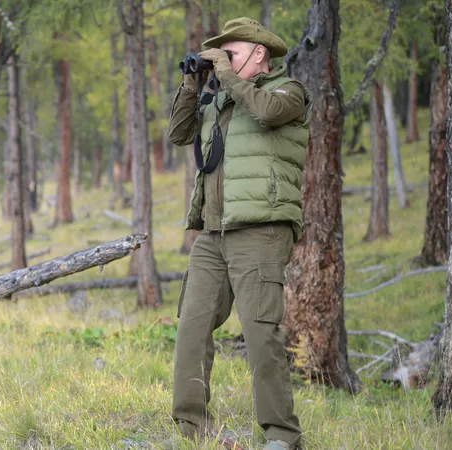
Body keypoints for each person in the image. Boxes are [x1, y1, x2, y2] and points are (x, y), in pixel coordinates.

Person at [167, 17, 313, 450]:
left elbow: (265, 113)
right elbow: (179, 134)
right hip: (213, 232)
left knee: (259, 332)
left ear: (258, 53)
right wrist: (195, 84)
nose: (222, 61)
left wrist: (227, 77)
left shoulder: (288, 93)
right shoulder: (221, 101)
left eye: (229, 53)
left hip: (262, 230)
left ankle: (282, 435)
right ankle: (193, 429)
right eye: (220, 55)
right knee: (192, 327)